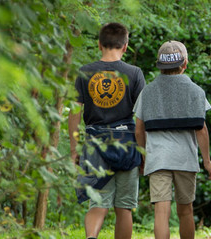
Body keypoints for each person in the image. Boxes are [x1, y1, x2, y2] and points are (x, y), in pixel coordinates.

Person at [133, 40, 211, 239]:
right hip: (185, 160)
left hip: (157, 159)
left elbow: (139, 129)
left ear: (160, 66)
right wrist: (207, 161)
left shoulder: (147, 92)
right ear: (185, 64)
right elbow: (201, 129)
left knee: (161, 212)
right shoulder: (196, 91)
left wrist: (143, 155)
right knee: (185, 210)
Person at [67, 22, 146, 239]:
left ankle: (91, 237)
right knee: (124, 208)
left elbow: (74, 113)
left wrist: (74, 148)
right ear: (126, 46)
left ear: (100, 44)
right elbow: (142, 119)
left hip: (95, 144)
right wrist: (143, 151)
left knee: (98, 203)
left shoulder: (85, 72)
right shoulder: (135, 73)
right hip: (127, 144)